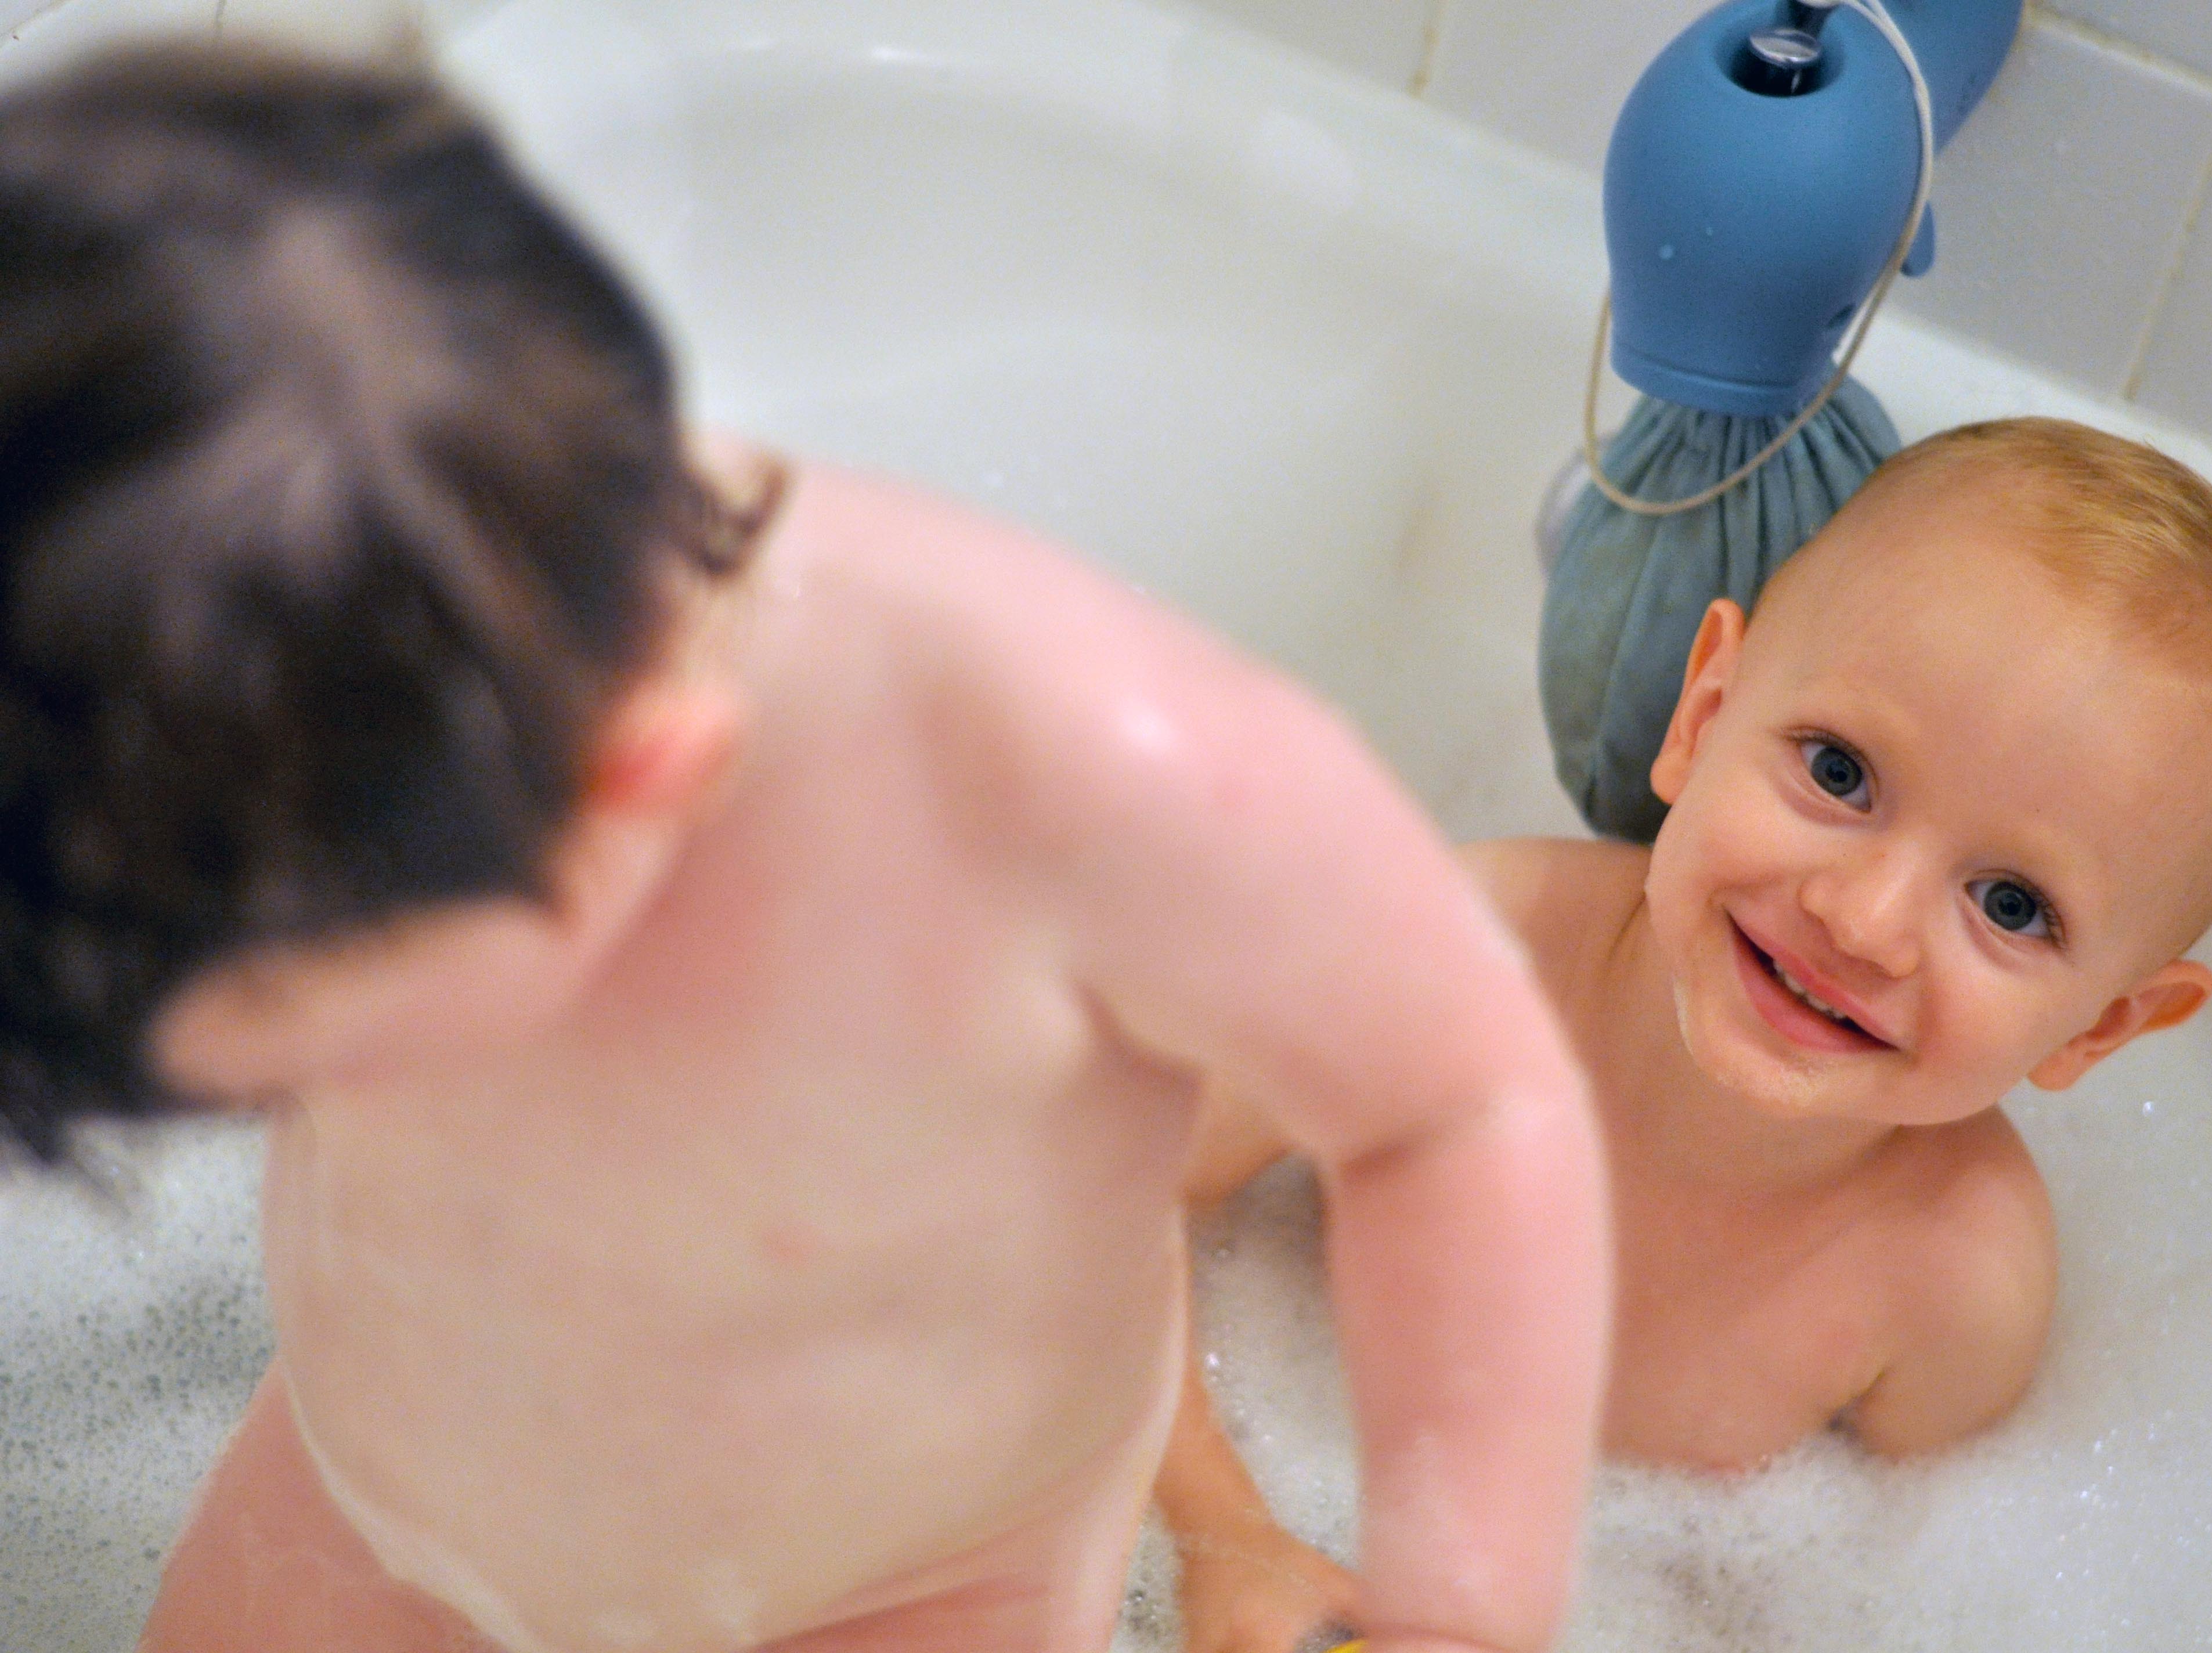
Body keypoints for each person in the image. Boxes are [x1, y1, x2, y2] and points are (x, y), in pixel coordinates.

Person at [0, 45, 1615, 1653]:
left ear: (638, 783)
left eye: (297, 1071)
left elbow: (1459, 1106)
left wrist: (1458, 1605)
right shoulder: (303, 693)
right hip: (368, 1497)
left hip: (897, 1585)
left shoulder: (1091, 773)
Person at [1155, 417, 2212, 1653]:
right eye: (1838, 770)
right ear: (1701, 717)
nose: (1862, 920)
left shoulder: (1954, 1286)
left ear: (2103, 1026)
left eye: (2009, 905)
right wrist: (1219, 1535)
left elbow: (1870, 1594)